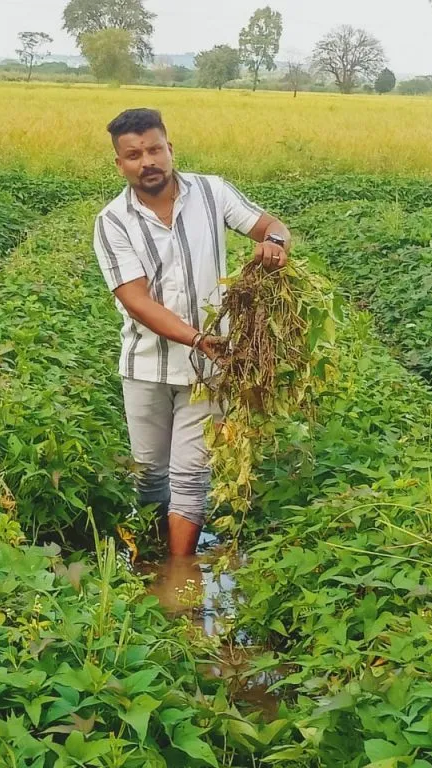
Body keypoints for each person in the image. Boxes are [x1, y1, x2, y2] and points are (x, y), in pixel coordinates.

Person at [93, 107, 291, 561]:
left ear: (170, 149)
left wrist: (274, 246)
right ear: (120, 164)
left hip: (210, 367)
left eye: (155, 149)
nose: (148, 162)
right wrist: (198, 338)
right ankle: (153, 548)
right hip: (147, 365)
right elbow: (136, 300)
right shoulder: (113, 220)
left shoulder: (211, 191)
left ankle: (177, 571)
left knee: (190, 474)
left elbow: (271, 226)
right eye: (134, 154)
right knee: (148, 473)